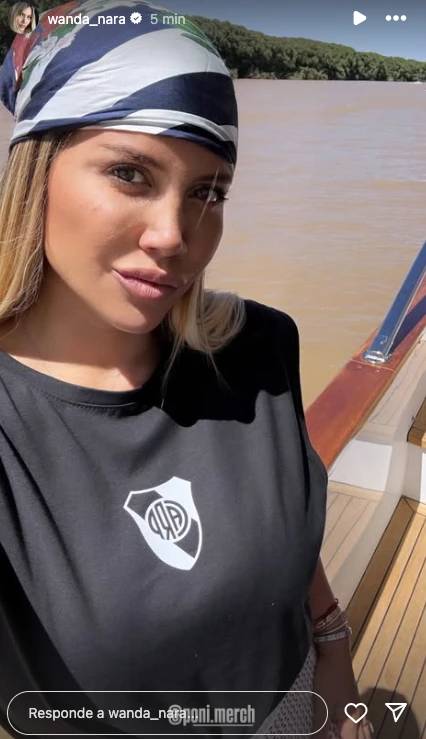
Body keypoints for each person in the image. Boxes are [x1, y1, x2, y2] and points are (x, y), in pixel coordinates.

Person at [0, 1, 373, 737]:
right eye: (130, 173)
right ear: (36, 170)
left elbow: (284, 526)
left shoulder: (257, 348)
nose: (176, 236)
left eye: (209, 191)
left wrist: (333, 648)